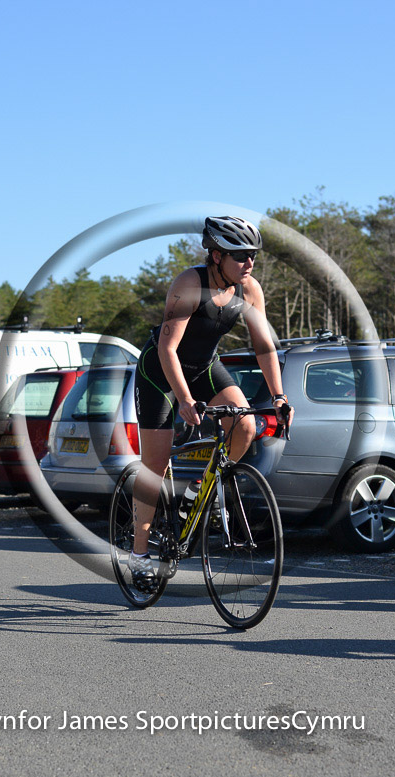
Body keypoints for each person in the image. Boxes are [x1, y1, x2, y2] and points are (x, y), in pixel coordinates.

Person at [130, 215, 293, 589]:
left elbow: (264, 346)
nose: (249, 262)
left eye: (253, 255)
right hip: (161, 372)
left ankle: (200, 490)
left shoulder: (249, 289)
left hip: (204, 367)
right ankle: (139, 554)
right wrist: (185, 399)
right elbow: (167, 348)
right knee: (155, 464)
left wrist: (279, 396)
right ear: (217, 255)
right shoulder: (190, 283)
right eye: (240, 256)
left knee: (245, 425)